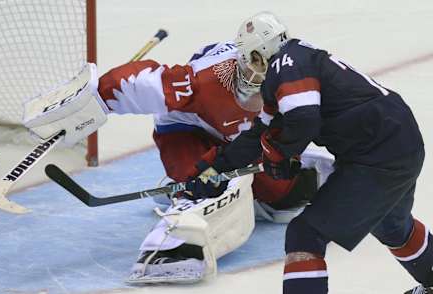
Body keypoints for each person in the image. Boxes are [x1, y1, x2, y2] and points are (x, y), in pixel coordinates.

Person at [23, 34, 334, 283]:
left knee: (286, 195)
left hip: (243, 142)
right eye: (249, 68)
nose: (254, 78)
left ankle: (287, 181)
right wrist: (95, 100)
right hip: (187, 130)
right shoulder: (206, 80)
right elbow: (141, 82)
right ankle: (177, 233)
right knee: (199, 182)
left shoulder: (294, 83)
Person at [191, 11, 429, 293]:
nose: (248, 66)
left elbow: (304, 119)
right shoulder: (290, 66)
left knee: (305, 234)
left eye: (250, 57)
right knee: (393, 227)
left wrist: (280, 154)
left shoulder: (285, 63)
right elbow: (259, 135)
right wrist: (212, 170)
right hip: (396, 142)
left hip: (378, 153)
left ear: (261, 52)